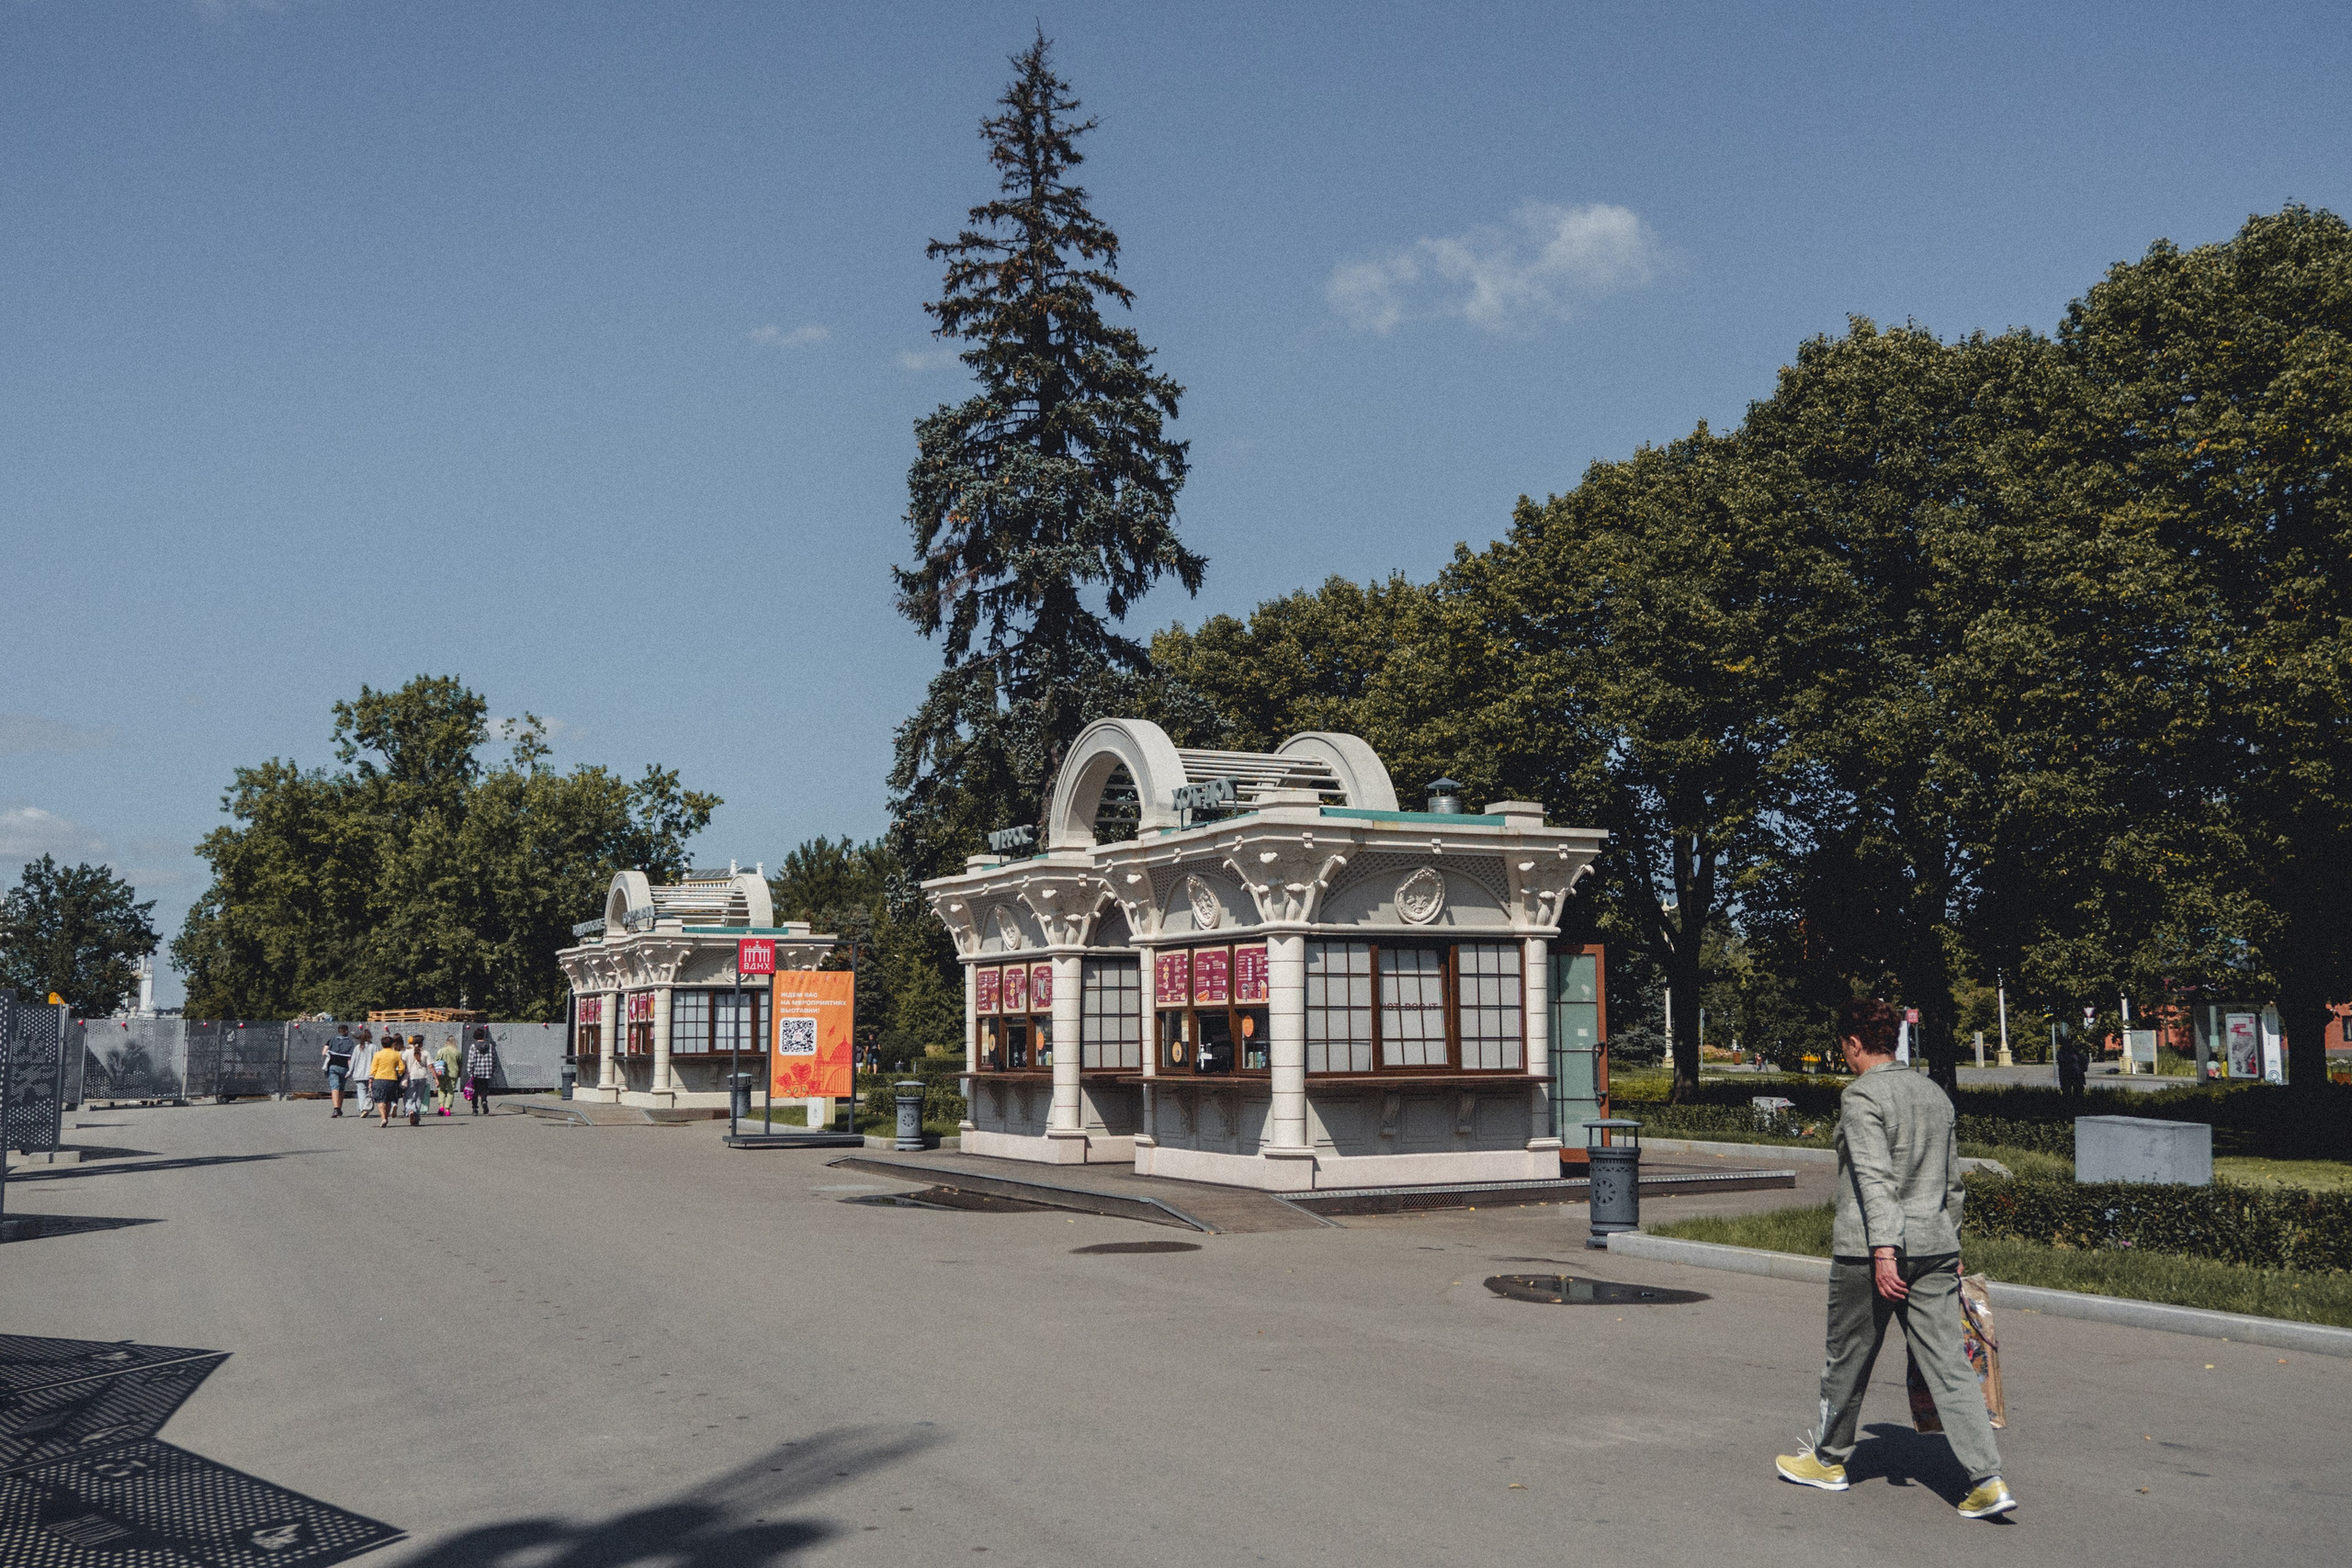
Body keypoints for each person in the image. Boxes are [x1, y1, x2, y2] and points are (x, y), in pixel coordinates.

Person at [1776, 998, 2017, 1520]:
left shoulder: (1861, 1096)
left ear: (1856, 1044)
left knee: (1848, 1357)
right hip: (1936, 1247)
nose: (1844, 1056)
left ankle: (1829, 1460)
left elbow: (1874, 1178)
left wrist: (1885, 1250)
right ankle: (1987, 1479)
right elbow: (1953, 1183)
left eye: (1844, 1047)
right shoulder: (1934, 1095)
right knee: (1950, 1364)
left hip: (1871, 1253)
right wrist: (1951, 1246)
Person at [368, 1032, 406, 1128]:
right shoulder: (397, 1054)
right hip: (392, 1079)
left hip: (379, 1078)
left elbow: (373, 1068)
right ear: (392, 1044)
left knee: (381, 1100)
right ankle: (386, 1117)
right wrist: (398, 1073)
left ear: (382, 1044)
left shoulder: (378, 1054)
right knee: (388, 1099)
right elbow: (402, 1068)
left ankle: (383, 1118)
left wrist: (371, 1079)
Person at [322, 1024, 356, 1117]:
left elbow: (324, 1052)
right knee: (341, 1088)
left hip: (332, 1066)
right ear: (346, 1031)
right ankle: (339, 1108)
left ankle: (336, 1109)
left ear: (339, 1031)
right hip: (344, 1067)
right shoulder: (350, 1042)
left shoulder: (331, 1039)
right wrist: (351, 1070)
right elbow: (350, 1058)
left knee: (334, 1087)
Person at [403, 1035, 435, 1127]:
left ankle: (411, 1111)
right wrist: (436, 1078)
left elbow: (402, 1063)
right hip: (423, 1076)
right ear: (422, 1043)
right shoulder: (425, 1053)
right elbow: (431, 1066)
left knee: (409, 1096)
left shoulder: (408, 1052)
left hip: (411, 1076)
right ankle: (416, 1117)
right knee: (418, 1098)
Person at [464, 1027, 496, 1116]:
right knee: (484, 1089)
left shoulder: (473, 1046)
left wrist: (470, 1071)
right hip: (487, 1072)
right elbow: (493, 1059)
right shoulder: (490, 1046)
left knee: (475, 1091)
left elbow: (471, 1060)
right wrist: (492, 1070)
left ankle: (475, 1108)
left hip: (476, 1072)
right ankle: (484, 1101)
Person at [434, 1035, 463, 1116]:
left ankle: (441, 1106)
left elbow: (436, 1061)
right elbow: (460, 1063)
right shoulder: (457, 1052)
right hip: (453, 1073)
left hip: (442, 1073)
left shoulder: (441, 1051)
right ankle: (447, 1109)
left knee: (441, 1089)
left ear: (446, 1041)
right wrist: (459, 1072)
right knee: (451, 1091)